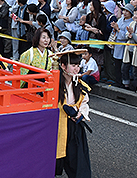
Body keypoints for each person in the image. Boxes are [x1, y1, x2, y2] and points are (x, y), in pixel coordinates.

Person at [54, 49, 91, 178]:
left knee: (78, 160)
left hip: (74, 124)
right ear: (63, 66)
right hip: (57, 125)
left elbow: (84, 102)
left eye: (78, 65)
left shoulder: (79, 84)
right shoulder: (54, 83)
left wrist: (81, 114)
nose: (77, 68)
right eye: (73, 65)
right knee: (53, 157)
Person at [111, 4, 134, 86]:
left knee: (124, 66)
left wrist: (118, 29)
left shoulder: (131, 22)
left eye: (127, 11)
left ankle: (124, 82)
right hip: (117, 44)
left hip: (124, 45)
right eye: (124, 10)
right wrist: (114, 27)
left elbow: (126, 35)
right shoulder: (121, 19)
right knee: (116, 64)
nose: (125, 13)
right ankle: (117, 81)